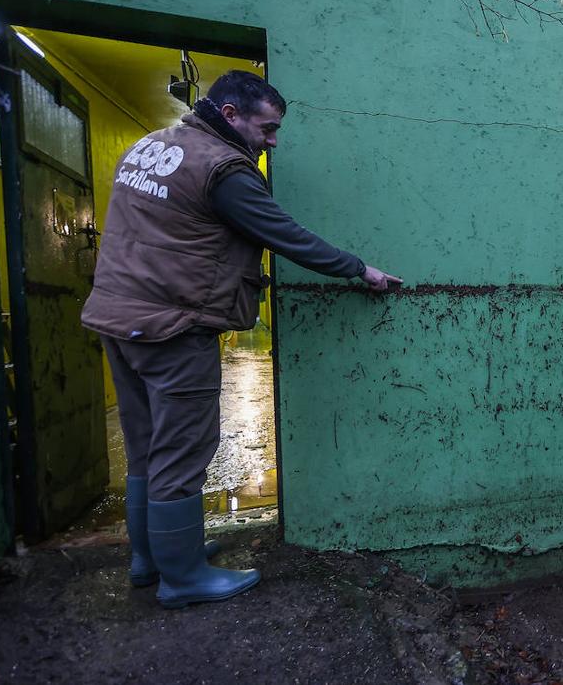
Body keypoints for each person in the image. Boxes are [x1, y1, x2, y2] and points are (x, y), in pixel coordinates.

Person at [81, 70, 400, 609]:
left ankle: (150, 559)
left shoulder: (151, 147)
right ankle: (183, 577)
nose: (272, 141)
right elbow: (284, 234)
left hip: (119, 318)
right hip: (173, 327)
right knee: (182, 453)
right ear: (230, 115)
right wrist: (357, 268)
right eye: (267, 128)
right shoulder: (223, 168)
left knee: (144, 449)